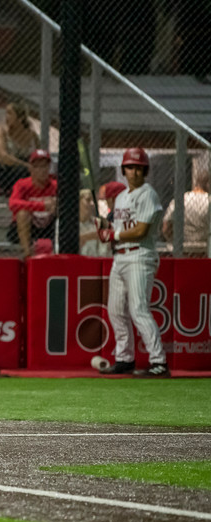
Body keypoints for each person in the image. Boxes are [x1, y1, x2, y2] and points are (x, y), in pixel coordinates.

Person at [96, 148, 168, 377]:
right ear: (123, 170)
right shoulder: (120, 197)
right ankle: (124, 358)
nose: (134, 172)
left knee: (139, 310)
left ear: (144, 170)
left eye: (138, 167)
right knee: (116, 310)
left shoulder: (148, 194)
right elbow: (117, 229)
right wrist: (106, 229)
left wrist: (113, 235)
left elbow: (141, 230)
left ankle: (159, 362)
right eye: (130, 167)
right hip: (120, 257)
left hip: (140, 255)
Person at [8, 149, 58, 258]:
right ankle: (27, 254)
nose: (42, 170)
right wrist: (42, 206)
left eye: (45, 166)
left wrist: (57, 205)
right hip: (28, 226)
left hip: (49, 225)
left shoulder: (55, 185)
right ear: (31, 169)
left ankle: (60, 252)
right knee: (22, 214)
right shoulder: (22, 184)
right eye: (38, 167)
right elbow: (13, 204)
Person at [0, 101, 38, 196]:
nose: (6, 117)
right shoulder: (1, 131)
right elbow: (4, 157)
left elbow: (38, 156)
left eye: (10, 113)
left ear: (20, 118)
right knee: (22, 171)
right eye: (6, 113)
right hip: (5, 171)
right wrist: (26, 165)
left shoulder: (32, 135)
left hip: (26, 171)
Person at [162, 158, 210, 256]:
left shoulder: (181, 199)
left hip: (183, 247)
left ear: (196, 182)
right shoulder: (209, 200)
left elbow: (166, 227)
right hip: (204, 248)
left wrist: (173, 240)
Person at [78, 189, 109, 258]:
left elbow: (104, 253)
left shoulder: (99, 223)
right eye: (88, 200)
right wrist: (89, 236)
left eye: (93, 201)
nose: (92, 204)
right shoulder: (66, 224)